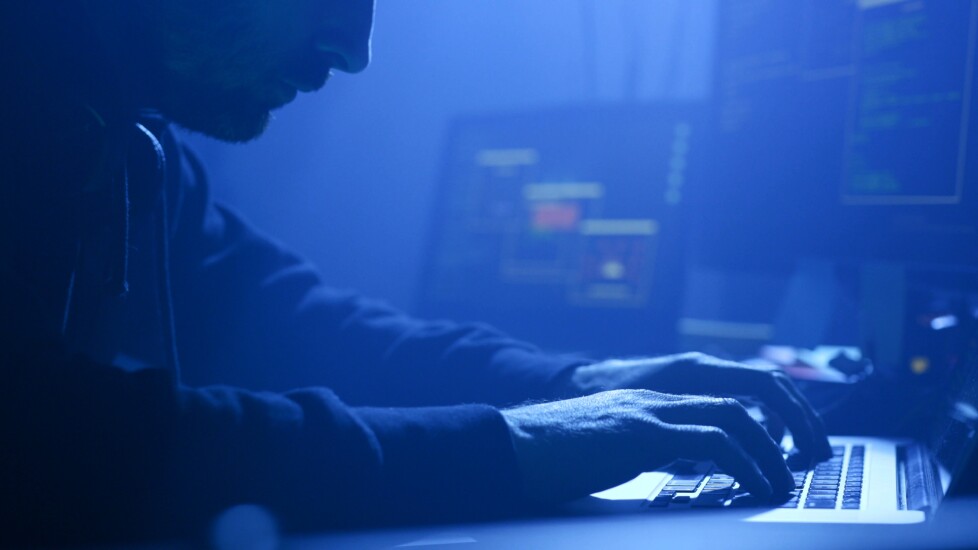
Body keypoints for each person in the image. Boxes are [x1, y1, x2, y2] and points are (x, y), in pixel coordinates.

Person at [0, 0, 832, 545]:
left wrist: (572, 382)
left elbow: (288, 318)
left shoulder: (125, 137)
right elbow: (53, 437)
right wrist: (504, 448)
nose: (351, 49)